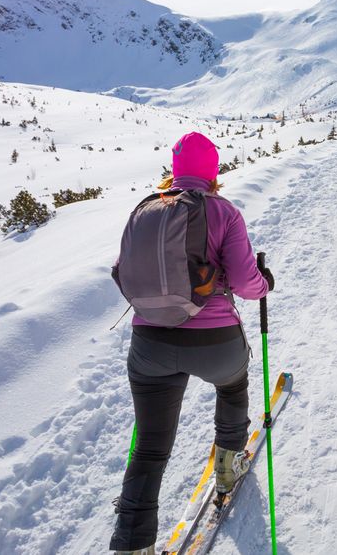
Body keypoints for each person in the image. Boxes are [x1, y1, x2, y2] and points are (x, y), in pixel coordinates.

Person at [109, 132, 273, 553]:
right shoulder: (224, 212)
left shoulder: (146, 209)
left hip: (149, 344)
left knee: (149, 445)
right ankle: (228, 464)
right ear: (213, 171)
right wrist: (265, 282)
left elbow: (121, 271)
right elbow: (244, 282)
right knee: (233, 385)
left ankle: (132, 542)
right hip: (215, 342)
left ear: (176, 167)